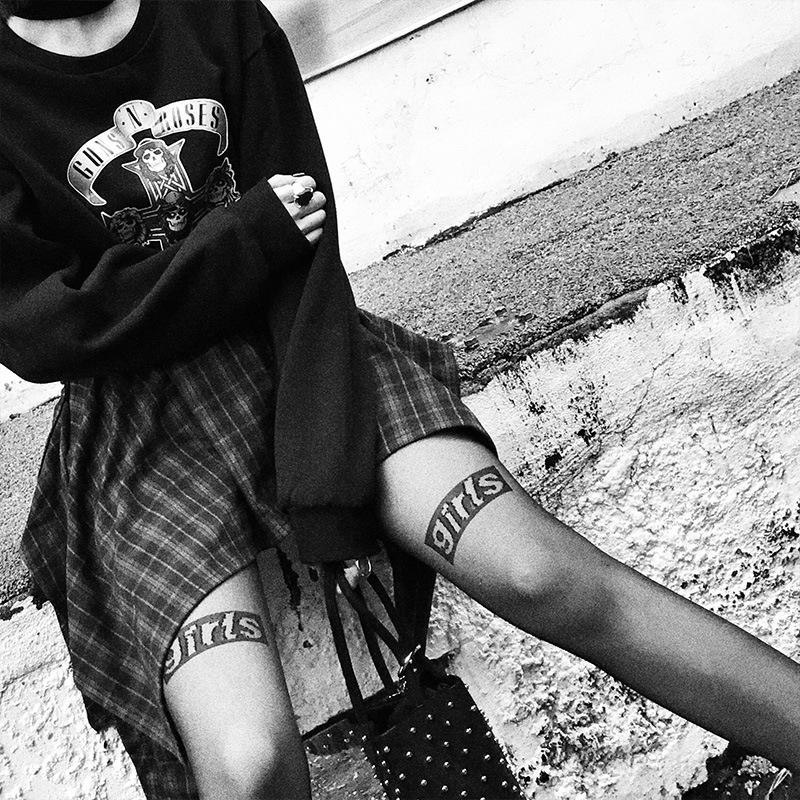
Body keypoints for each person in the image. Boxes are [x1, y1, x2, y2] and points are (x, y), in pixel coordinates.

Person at [1, 1, 799, 799]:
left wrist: (326, 485)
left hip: (299, 348)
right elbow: (45, 330)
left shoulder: (211, 15)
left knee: (538, 572)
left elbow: (305, 258)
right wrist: (245, 236)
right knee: (248, 765)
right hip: (139, 429)